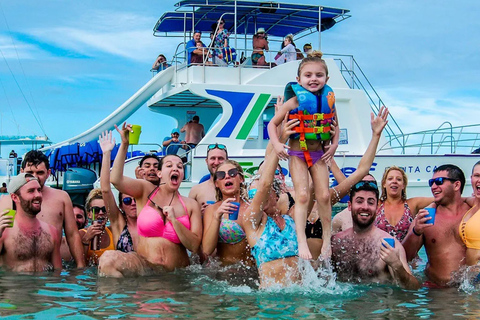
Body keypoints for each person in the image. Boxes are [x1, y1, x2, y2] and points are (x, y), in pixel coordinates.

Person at [98, 123, 202, 277]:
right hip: (145, 268)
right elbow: (115, 180)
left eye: (180, 166)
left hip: (177, 273)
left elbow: (194, 246)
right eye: (169, 165)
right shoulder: (145, 190)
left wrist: (174, 221)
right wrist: (125, 144)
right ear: (159, 173)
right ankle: (120, 299)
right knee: (107, 260)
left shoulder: (190, 205)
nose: (175, 168)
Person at [267, 51, 339, 260]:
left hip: (318, 154)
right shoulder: (294, 102)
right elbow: (272, 124)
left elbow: (336, 125)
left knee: (324, 195)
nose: (313, 79)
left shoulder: (329, 100)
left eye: (319, 75)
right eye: (308, 75)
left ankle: (327, 240)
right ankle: (301, 241)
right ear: (298, 80)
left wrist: (334, 145)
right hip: (298, 153)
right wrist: (277, 144)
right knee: (302, 195)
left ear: (326, 79)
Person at [0, 150, 85, 268]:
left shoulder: (61, 198)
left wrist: (80, 267)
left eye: (40, 172)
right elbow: (4, 235)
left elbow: (72, 235)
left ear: (48, 173)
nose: (35, 177)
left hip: (50, 265)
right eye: (30, 172)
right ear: (21, 172)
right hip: (18, 266)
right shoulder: (8, 201)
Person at [331, 181, 420, 290]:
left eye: (371, 202)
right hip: (343, 305)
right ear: (350, 206)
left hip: (378, 304)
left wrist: (396, 265)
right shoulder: (336, 242)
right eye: (359, 201)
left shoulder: (389, 245)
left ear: (377, 207)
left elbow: (413, 288)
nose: (365, 207)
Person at [403, 164, 470, 287]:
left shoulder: (473, 214)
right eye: (431, 182)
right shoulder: (425, 216)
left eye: (439, 182)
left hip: (469, 291)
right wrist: (416, 231)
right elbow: (405, 258)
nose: (433, 187)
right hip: (437, 292)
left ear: (456, 185)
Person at [0, 173, 62, 272]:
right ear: (15, 197)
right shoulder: (4, 231)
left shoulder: (51, 231)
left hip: (44, 287)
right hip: (13, 286)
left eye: (39, 190)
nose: (38, 195)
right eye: (31, 191)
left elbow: (58, 273)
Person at [202, 160, 253, 266]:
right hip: (226, 274)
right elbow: (207, 250)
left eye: (232, 173)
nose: (227, 177)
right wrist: (217, 217)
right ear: (216, 184)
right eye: (221, 175)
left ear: (241, 179)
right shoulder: (212, 210)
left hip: (252, 273)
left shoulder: (253, 208)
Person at [98, 130, 138, 253]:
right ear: (121, 205)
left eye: (136, 199)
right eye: (127, 200)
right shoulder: (118, 223)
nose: (132, 203)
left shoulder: (151, 221)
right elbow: (105, 190)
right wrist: (106, 154)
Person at [375, 166, 434, 241]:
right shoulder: (377, 204)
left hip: (407, 252)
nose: (394, 181)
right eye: (390, 179)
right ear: (384, 184)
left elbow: (439, 199)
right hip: (380, 252)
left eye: (399, 179)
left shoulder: (411, 204)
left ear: (403, 185)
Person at [188, 143, 228, 215]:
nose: (216, 162)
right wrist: (198, 214)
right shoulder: (196, 191)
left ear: (227, 161)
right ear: (207, 161)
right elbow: (189, 221)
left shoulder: (236, 189)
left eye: (220, 158)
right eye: (213, 158)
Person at [79, 188, 115, 265]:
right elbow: (79, 264)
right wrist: (86, 239)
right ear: (89, 214)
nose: (101, 213)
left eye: (104, 209)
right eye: (96, 210)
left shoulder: (113, 231)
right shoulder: (81, 234)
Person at [459, 161, 480, 266]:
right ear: (471, 178)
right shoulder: (475, 204)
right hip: (470, 278)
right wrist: (434, 204)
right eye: (477, 176)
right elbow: (461, 199)